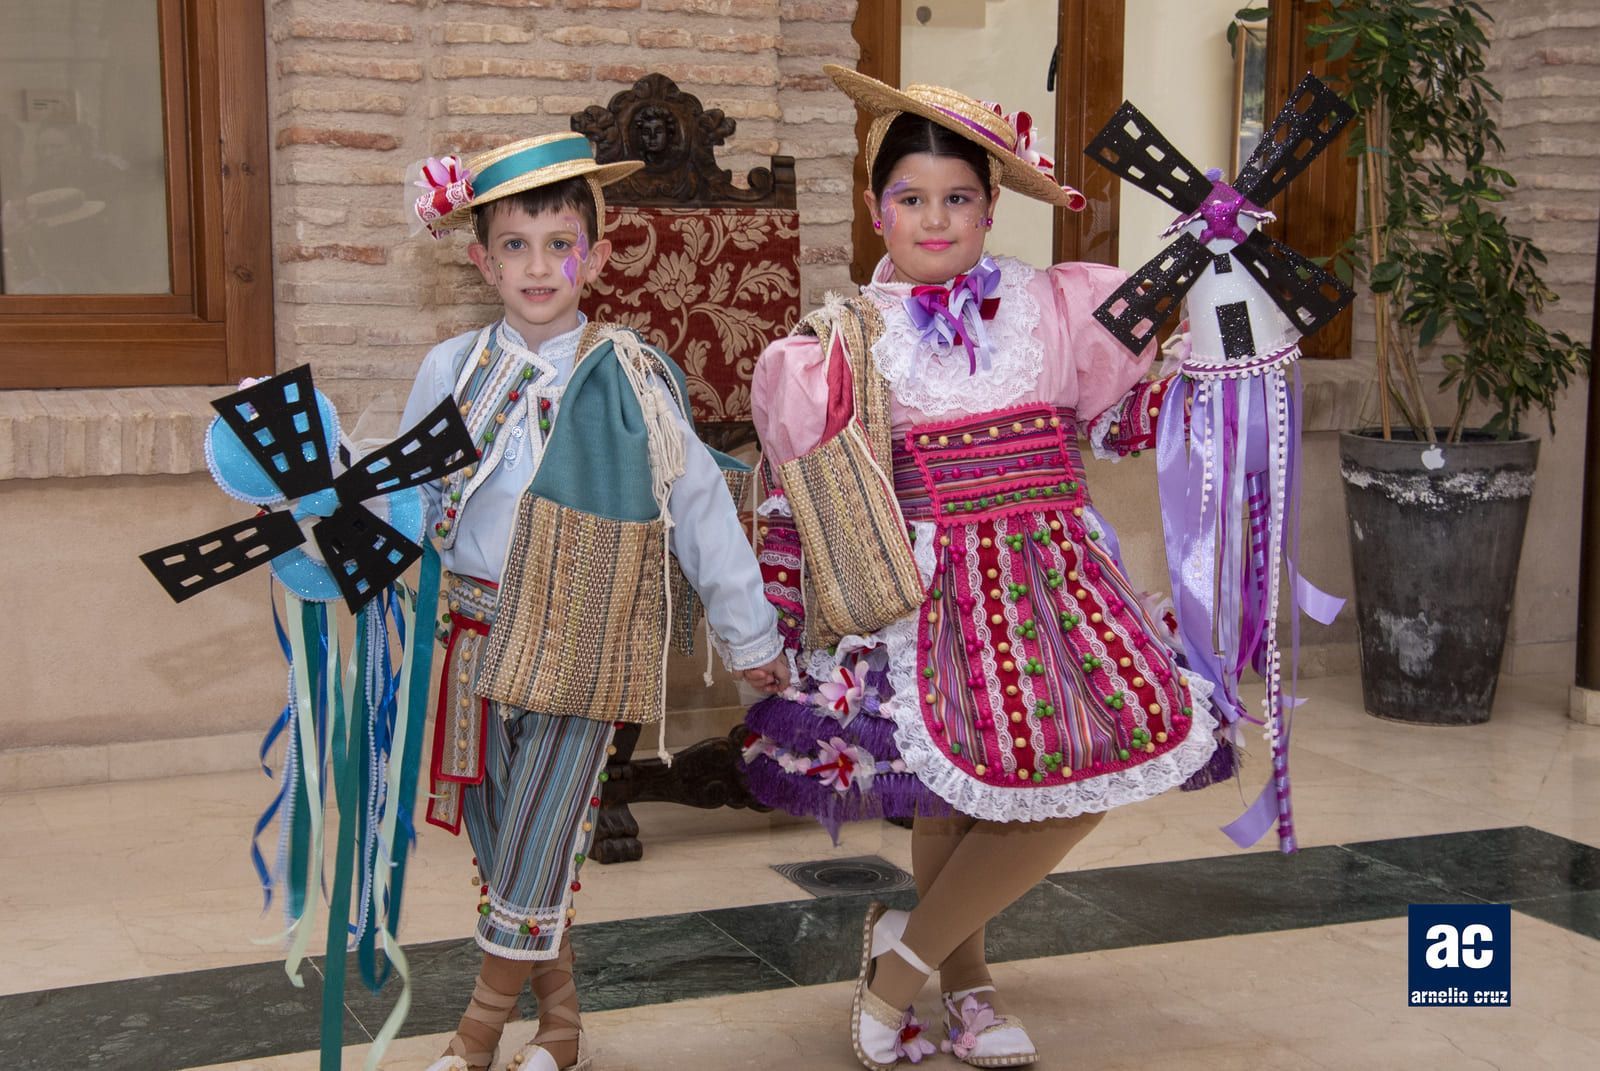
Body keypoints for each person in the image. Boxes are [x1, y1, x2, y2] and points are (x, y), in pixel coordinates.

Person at [738, 69, 1220, 1069]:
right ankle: (967, 980)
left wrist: (1213, 295)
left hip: (1056, 570)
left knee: (1087, 765)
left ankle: (901, 963)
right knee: (959, 788)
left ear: (993, 205)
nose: (936, 217)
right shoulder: (845, 344)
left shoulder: (1055, 307)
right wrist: (780, 625)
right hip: (933, 585)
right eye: (910, 199)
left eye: (958, 197)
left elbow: (1127, 417)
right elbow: (806, 495)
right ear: (876, 213)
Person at [401, 132, 788, 1071]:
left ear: (597, 255)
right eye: (517, 245)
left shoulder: (635, 378)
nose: (540, 266)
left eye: (561, 243)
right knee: (508, 852)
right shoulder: (449, 370)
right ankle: (562, 1024)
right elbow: (403, 498)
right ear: (481, 259)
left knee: (543, 834)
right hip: (471, 638)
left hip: (585, 637)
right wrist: (320, 499)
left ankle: (476, 1029)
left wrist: (751, 634)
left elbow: (697, 506)